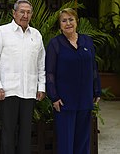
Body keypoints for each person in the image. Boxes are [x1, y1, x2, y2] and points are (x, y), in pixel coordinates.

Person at [0, 0, 46, 154]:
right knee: (8, 132)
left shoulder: (36, 35)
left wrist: (41, 86)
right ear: (14, 13)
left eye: (28, 12)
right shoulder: (2, 32)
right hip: (8, 91)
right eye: (22, 11)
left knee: (26, 133)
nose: (25, 15)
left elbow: (41, 63)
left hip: (29, 91)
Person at [45, 8, 101, 154]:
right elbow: (50, 72)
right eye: (64, 21)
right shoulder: (55, 44)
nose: (68, 23)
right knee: (66, 144)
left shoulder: (87, 41)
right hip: (64, 102)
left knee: (83, 142)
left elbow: (93, 67)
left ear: (77, 22)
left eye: (71, 20)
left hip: (85, 99)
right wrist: (54, 97)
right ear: (60, 25)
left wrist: (97, 90)